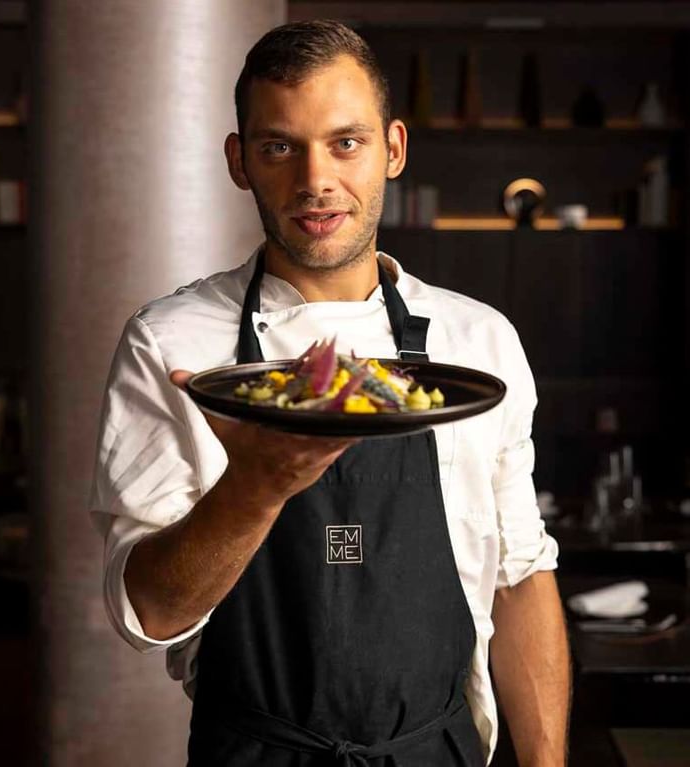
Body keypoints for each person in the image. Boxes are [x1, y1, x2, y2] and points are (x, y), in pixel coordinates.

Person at [90, 19, 570, 767]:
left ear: (393, 149)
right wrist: (255, 485)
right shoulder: (172, 342)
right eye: (279, 146)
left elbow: (518, 576)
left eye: (345, 142)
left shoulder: (477, 343)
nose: (316, 180)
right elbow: (150, 612)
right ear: (239, 160)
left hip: (433, 752)